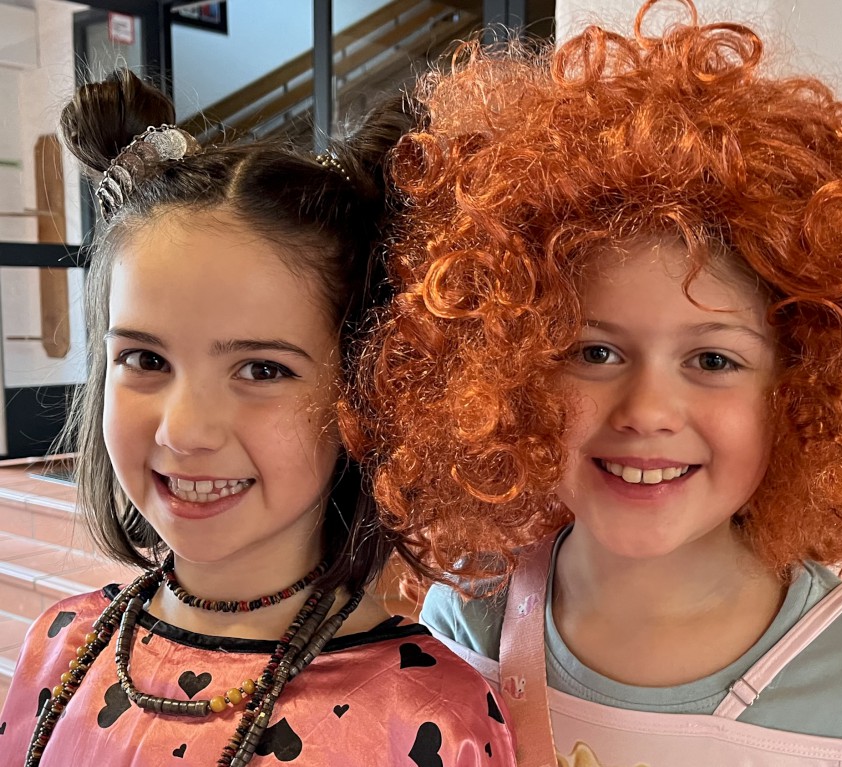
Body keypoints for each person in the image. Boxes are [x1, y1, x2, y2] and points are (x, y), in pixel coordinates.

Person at [357, 1, 842, 764]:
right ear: (510, 370)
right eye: (594, 352)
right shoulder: (469, 618)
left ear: (801, 390)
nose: (648, 410)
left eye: (712, 361)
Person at [0, 69, 513, 767]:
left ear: (365, 390)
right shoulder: (59, 645)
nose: (185, 430)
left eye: (262, 370)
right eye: (146, 359)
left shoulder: (429, 718)